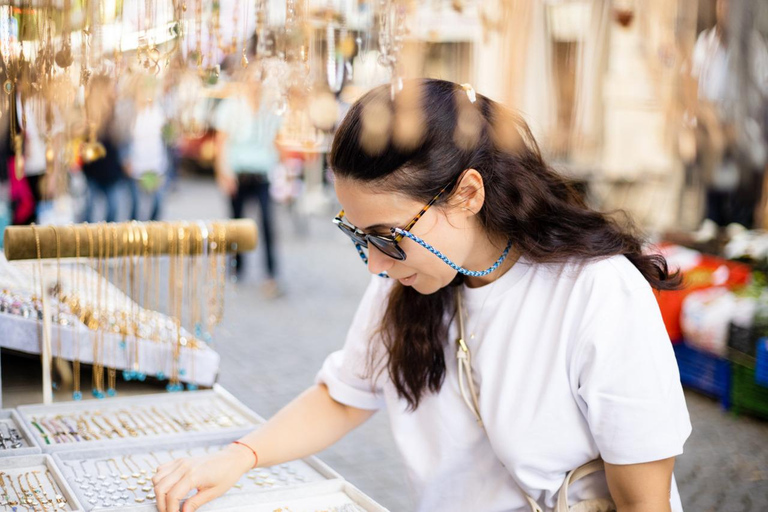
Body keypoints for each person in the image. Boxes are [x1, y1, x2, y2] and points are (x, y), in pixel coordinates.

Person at [153, 79, 691, 512]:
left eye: (388, 237)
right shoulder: (408, 281)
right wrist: (240, 456)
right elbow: (345, 394)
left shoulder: (597, 291)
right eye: (357, 236)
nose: (379, 265)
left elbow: (645, 501)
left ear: (468, 195)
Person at [214, 81, 282, 296]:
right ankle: (236, 267)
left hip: (261, 174)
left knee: (267, 224)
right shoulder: (232, 107)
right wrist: (223, 172)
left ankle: (271, 273)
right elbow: (221, 142)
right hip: (239, 174)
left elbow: (276, 141)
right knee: (236, 226)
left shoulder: (270, 108)